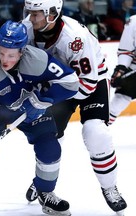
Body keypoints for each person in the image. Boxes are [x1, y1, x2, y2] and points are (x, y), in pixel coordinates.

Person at [0, 20, 79, 215]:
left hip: (32, 109)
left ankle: (45, 192)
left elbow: (70, 82)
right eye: (1, 52)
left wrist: (42, 100)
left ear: (23, 50)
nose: (5, 59)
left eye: (11, 54)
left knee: (50, 148)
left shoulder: (39, 60)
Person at [22, 0, 127, 215]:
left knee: (96, 132)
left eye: (36, 14)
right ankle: (44, 182)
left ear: (52, 13)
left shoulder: (74, 38)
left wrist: (48, 99)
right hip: (57, 84)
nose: (31, 19)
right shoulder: (26, 30)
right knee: (48, 136)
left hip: (90, 82)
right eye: (29, 13)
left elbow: (87, 85)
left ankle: (109, 187)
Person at [109, 15, 136, 125]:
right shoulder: (134, 21)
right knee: (121, 99)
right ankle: (99, 128)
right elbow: (126, 50)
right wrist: (121, 69)